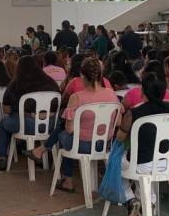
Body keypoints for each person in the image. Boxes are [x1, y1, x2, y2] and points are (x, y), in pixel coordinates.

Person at [26, 57, 119, 192]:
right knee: (63, 129)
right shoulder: (111, 94)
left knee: (63, 131)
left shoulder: (77, 97)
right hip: (105, 144)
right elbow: (119, 121)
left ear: (82, 76)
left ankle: (67, 179)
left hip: (83, 144)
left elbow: (70, 130)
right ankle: (42, 150)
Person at [115, 72, 169, 216]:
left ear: (142, 91)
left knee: (117, 161)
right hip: (168, 163)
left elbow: (120, 138)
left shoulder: (134, 112)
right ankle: (149, 201)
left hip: (142, 163)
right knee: (139, 161)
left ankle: (131, 199)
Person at [0, 55, 60, 170]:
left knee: (2, 124)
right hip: (50, 125)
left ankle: (2, 157)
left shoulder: (15, 84)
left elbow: (6, 109)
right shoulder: (51, 82)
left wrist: (20, 112)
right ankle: (48, 156)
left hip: (27, 125)